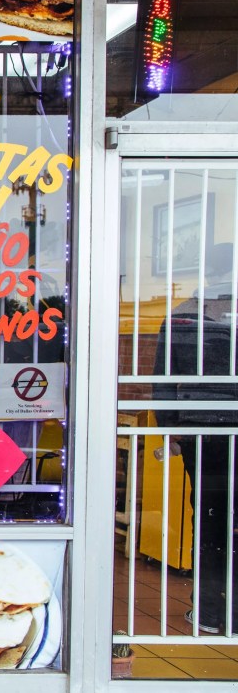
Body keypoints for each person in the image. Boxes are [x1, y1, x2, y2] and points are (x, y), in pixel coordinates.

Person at [152, 243, 238, 634]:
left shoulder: (182, 317)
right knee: (214, 519)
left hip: (201, 432)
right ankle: (220, 611)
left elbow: (163, 382)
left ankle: (210, 612)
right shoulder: (185, 318)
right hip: (205, 434)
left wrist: (172, 429)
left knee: (209, 519)